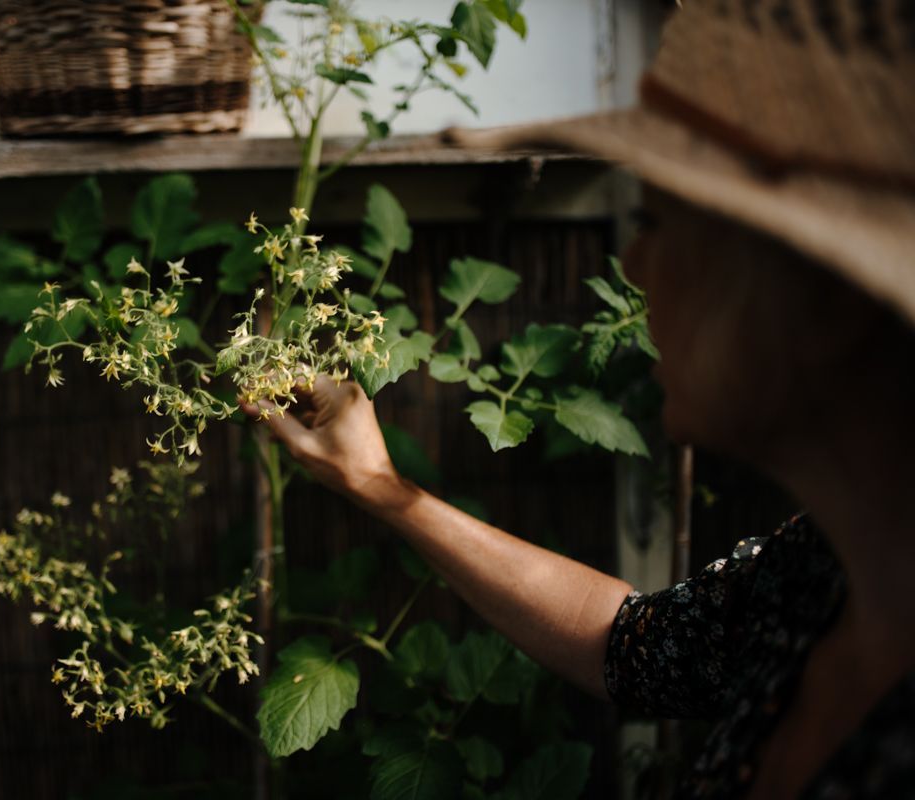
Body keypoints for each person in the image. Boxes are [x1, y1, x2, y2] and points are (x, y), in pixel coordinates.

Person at [244, 3, 915, 798]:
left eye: (661, 221)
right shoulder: (816, 576)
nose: (634, 265)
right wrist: (381, 486)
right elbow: (628, 643)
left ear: (829, 290)